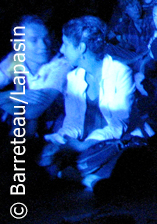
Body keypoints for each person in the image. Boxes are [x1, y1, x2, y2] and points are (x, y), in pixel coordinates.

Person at [40, 16, 135, 188]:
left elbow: (118, 125)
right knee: (44, 155)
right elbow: (73, 123)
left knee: (120, 157)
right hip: (83, 145)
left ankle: (82, 177)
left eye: (66, 44)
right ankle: (89, 180)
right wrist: (60, 141)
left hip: (107, 142)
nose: (61, 49)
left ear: (81, 48)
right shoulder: (73, 78)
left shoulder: (120, 73)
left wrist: (84, 145)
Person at [0, 16, 70, 136]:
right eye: (34, 40)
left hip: (61, 132)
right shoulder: (14, 60)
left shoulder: (61, 65)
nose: (43, 45)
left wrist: (5, 98)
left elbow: (31, 112)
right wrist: (10, 95)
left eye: (46, 38)